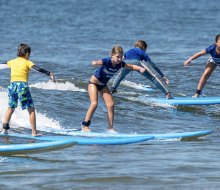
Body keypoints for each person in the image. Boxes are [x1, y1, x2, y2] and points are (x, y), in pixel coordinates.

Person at [82, 45, 145, 133]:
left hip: (103, 85)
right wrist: (95, 62)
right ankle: (85, 126)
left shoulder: (120, 64)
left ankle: (110, 128)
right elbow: (100, 61)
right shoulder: (107, 61)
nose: (119, 59)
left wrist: (140, 68)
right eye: (117, 57)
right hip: (93, 83)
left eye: (121, 57)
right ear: (112, 55)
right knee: (94, 104)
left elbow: (130, 66)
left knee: (111, 104)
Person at [1, 44, 55, 136]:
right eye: (29, 54)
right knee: (31, 110)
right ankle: (34, 132)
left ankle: (4, 130)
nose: (29, 56)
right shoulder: (27, 62)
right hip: (22, 86)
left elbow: (1, 66)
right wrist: (49, 73)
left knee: (10, 108)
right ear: (26, 53)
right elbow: (37, 69)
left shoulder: (12, 61)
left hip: (12, 86)